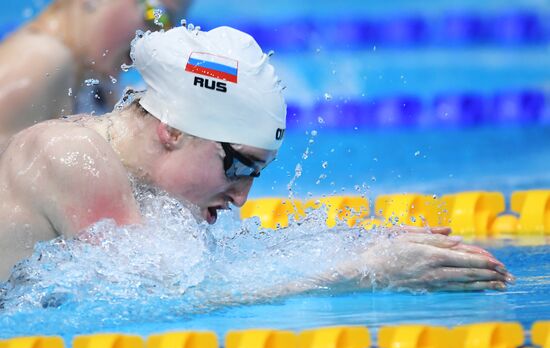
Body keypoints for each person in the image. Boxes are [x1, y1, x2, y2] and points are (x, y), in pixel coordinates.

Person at [0, 26, 513, 293]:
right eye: (238, 164)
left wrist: (357, 244)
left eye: (255, 174)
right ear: (173, 129)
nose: (242, 195)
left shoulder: (138, 183)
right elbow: (156, 302)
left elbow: (198, 278)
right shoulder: (71, 157)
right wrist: (361, 272)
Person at [0, 0, 190, 147]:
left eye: (170, 27)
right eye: (157, 14)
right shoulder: (40, 61)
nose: (160, 36)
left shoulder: (92, 82)